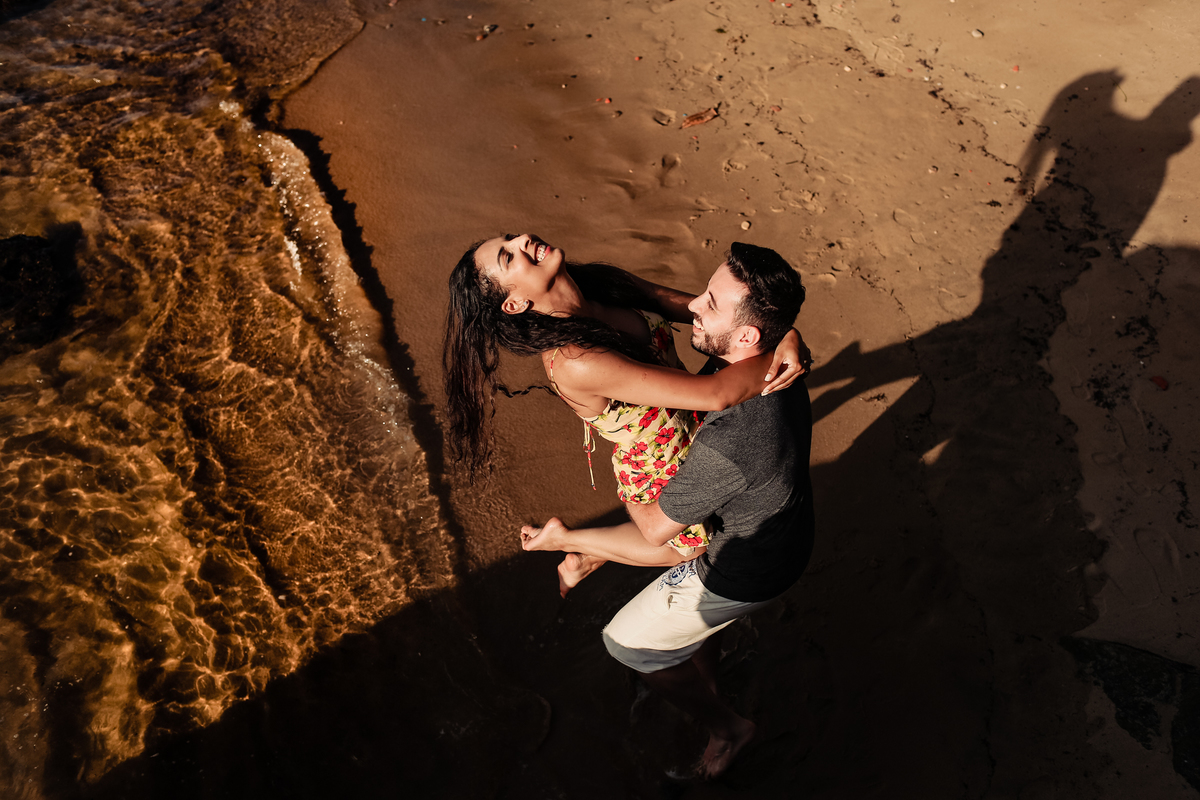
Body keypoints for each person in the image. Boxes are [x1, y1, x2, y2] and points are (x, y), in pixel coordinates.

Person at [524, 242, 814, 778]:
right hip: (768, 522)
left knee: (627, 642)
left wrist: (634, 467)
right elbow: (732, 340)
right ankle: (693, 648)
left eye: (709, 302)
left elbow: (655, 527)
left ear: (747, 335)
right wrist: (792, 336)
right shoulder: (760, 358)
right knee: (689, 618)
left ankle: (731, 729)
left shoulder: (734, 436)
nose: (692, 306)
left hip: (747, 566)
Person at [443, 234, 810, 595]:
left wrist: (780, 330)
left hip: (687, 415)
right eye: (509, 257)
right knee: (688, 549)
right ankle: (570, 541)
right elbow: (716, 395)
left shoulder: (599, 285)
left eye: (511, 237)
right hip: (656, 458)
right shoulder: (576, 360)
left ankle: (588, 559)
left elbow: (707, 312)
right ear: (515, 303)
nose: (524, 239)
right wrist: (777, 343)